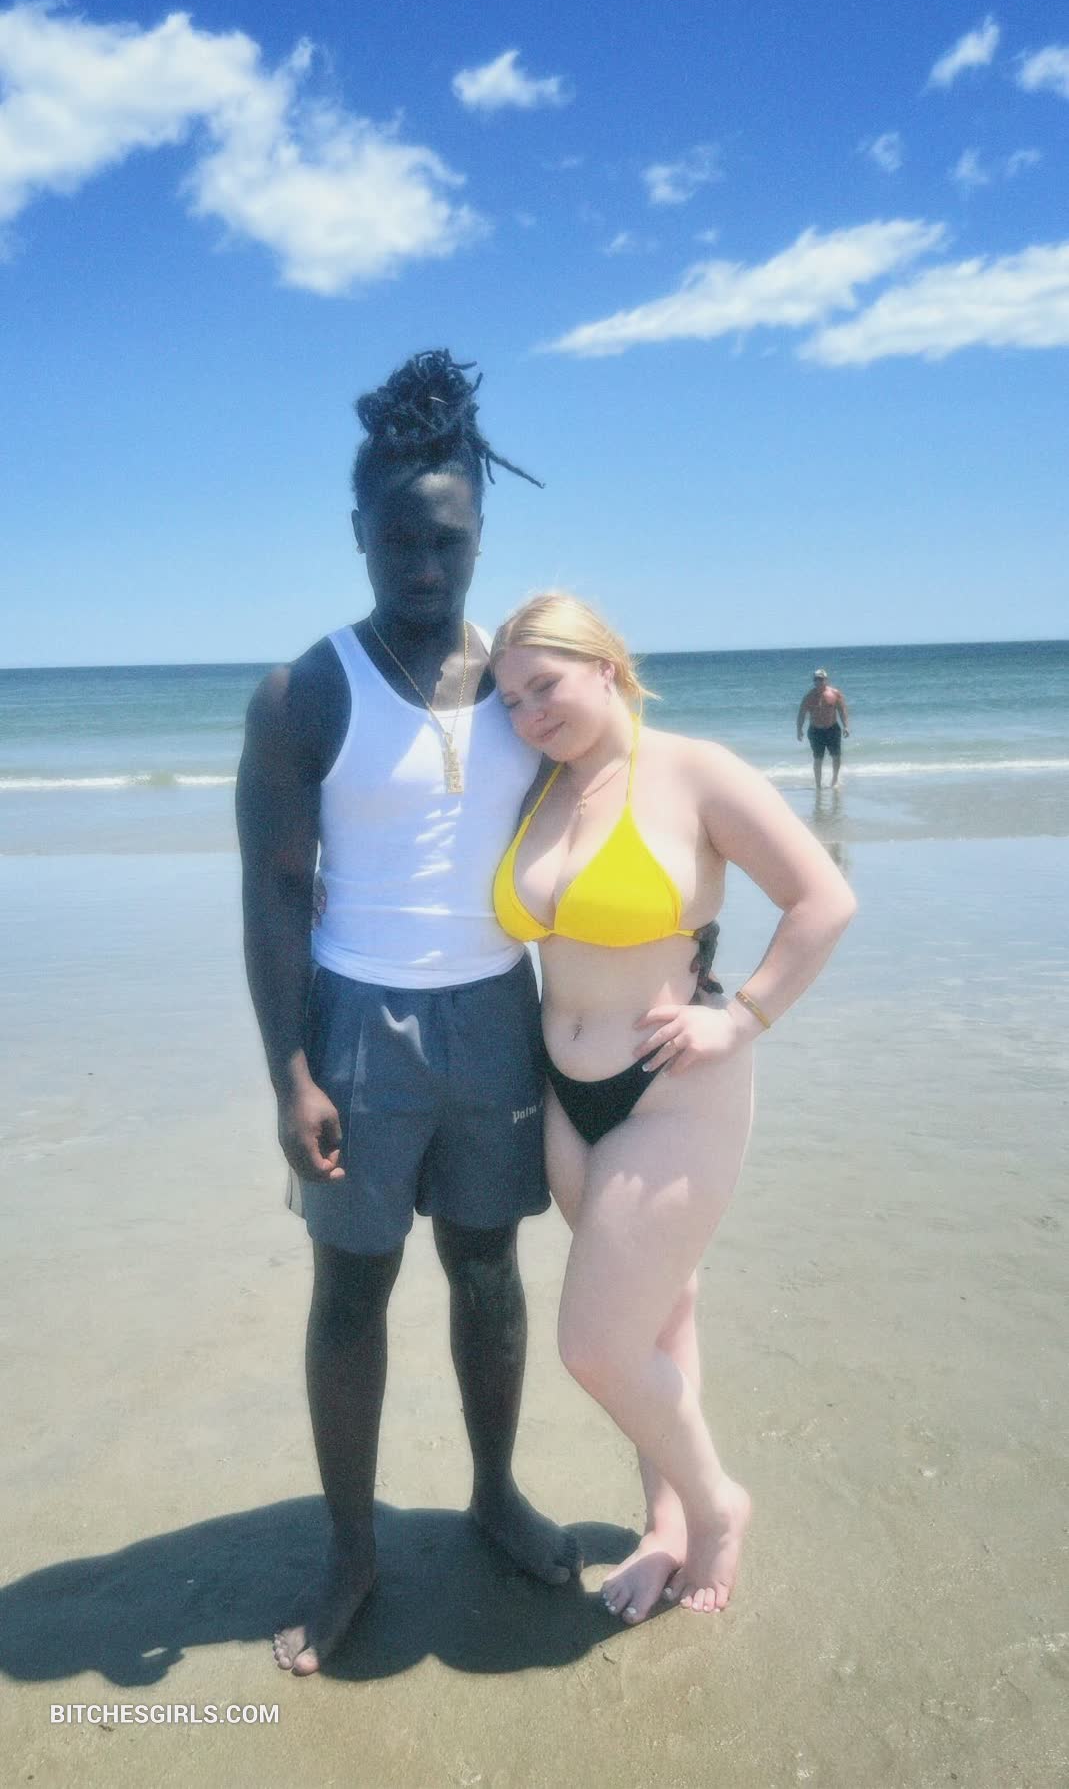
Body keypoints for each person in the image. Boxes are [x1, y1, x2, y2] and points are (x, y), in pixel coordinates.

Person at [236, 354, 579, 1678]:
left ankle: (493, 1492)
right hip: (356, 1025)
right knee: (353, 1287)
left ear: (481, 532)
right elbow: (276, 892)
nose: (425, 566)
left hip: (496, 1013)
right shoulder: (305, 691)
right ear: (359, 534)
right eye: (399, 541)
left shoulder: (527, 687)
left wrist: (690, 962)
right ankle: (351, 1548)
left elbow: (625, 812)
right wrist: (290, 1072)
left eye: (448, 540)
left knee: (488, 1271)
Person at [490, 595, 856, 1625]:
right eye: (509, 699)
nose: (527, 713)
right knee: (659, 1315)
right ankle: (665, 1525)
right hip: (565, 1093)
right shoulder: (537, 787)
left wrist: (741, 1019)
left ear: (605, 667)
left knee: (597, 1347)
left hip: (671, 1091)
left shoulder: (694, 770)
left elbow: (823, 898)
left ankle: (716, 1503)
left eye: (544, 686)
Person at [796, 667, 850, 786]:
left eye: (821, 679)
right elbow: (801, 714)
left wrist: (846, 726)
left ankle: (834, 780)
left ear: (826, 680)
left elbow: (842, 710)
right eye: (816, 679)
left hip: (832, 729)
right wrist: (799, 730)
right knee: (818, 758)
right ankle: (818, 785)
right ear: (813, 681)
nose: (818, 682)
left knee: (836, 756)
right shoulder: (809, 696)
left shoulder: (835, 693)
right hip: (816, 731)